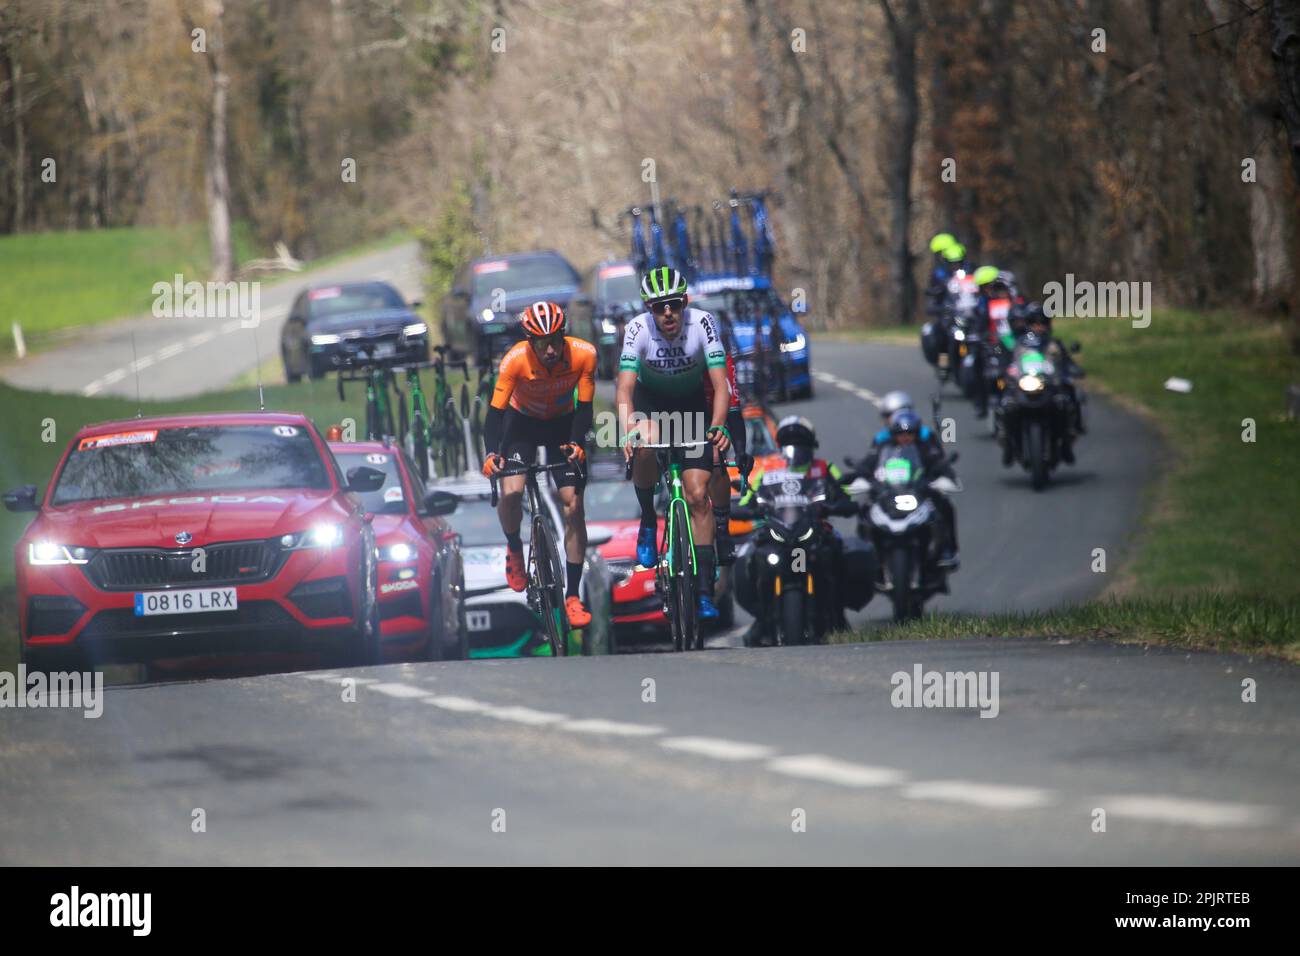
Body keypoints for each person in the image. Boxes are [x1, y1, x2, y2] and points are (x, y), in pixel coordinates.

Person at [617, 266, 732, 620]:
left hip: (692, 407)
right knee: (646, 442)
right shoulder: (637, 329)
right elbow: (624, 388)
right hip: (653, 406)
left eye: (674, 304)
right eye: (658, 306)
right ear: (649, 310)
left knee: (698, 496)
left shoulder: (703, 324)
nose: (667, 313)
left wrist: (717, 427)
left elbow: (720, 383)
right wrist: (626, 430)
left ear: (685, 303)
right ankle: (649, 521)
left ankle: (703, 592)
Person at [481, 301, 597, 627]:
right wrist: (491, 454)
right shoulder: (514, 360)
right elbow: (495, 415)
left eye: (555, 340)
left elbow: (585, 407)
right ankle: (515, 548)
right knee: (512, 492)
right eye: (542, 342)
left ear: (564, 336)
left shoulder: (584, 354)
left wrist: (577, 442)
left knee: (574, 506)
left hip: (563, 425)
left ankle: (573, 596)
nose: (550, 349)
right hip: (522, 427)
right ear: (530, 342)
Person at [738, 416, 859, 635]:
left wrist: (837, 505)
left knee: (841, 549)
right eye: (790, 443)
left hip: (815, 531)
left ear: (812, 445)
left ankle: (838, 614)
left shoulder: (825, 467)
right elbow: (748, 500)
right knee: (747, 555)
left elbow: (846, 496)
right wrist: (748, 508)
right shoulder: (766, 470)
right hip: (777, 531)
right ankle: (762, 617)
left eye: (800, 443)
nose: (795, 449)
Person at [861, 408, 960, 569]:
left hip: (919, 492)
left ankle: (948, 549)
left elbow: (939, 463)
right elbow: (868, 463)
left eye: (909, 433)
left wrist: (945, 476)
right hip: (889, 493)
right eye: (900, 434)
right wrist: (858, 475)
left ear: (916, 433)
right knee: (864, 508)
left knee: (945, 505)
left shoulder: (925, 448)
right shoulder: (883, 448)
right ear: (894, 434)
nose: (905, 437)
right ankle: (866, 550)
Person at [705, 351, 749, 565]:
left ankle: (722, 526)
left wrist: (740, 450)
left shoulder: (720, 357)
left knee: (714, 454)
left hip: (713, 413)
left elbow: (733, 410)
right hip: (677, 414)